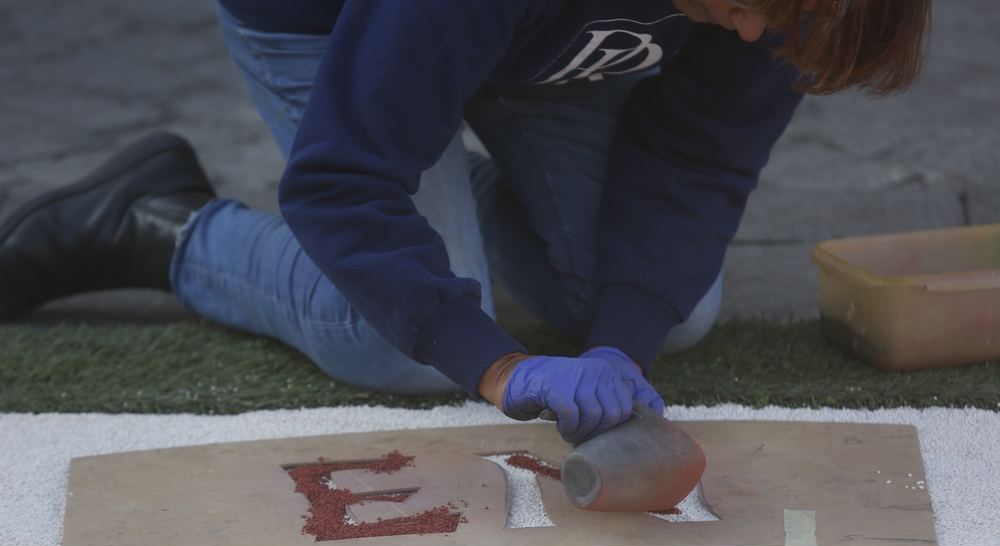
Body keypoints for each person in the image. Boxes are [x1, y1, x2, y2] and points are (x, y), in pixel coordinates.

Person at [0, 0, 928, 443]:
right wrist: (499, 366)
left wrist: (624, 347)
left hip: (538, 40)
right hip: (330, 25)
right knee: (396, 345)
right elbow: (343, 179)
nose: (758, 36)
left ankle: (452, 214)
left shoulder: (789, 10)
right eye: (764, 8)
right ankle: (164, 224)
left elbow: (699, 157)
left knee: (666, 309)